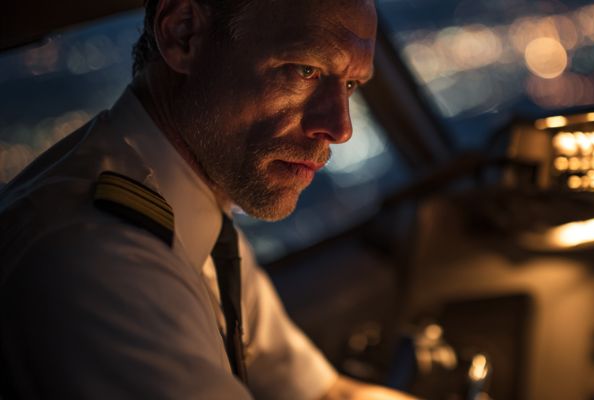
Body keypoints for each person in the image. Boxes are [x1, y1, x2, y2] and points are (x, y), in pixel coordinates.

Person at [0, 0, 414, 398]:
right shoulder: (99, 261)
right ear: (183, 34)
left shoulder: (197, 210)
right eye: (305, 70)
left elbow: (321, 393)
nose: (341, 128)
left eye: (351, 84)